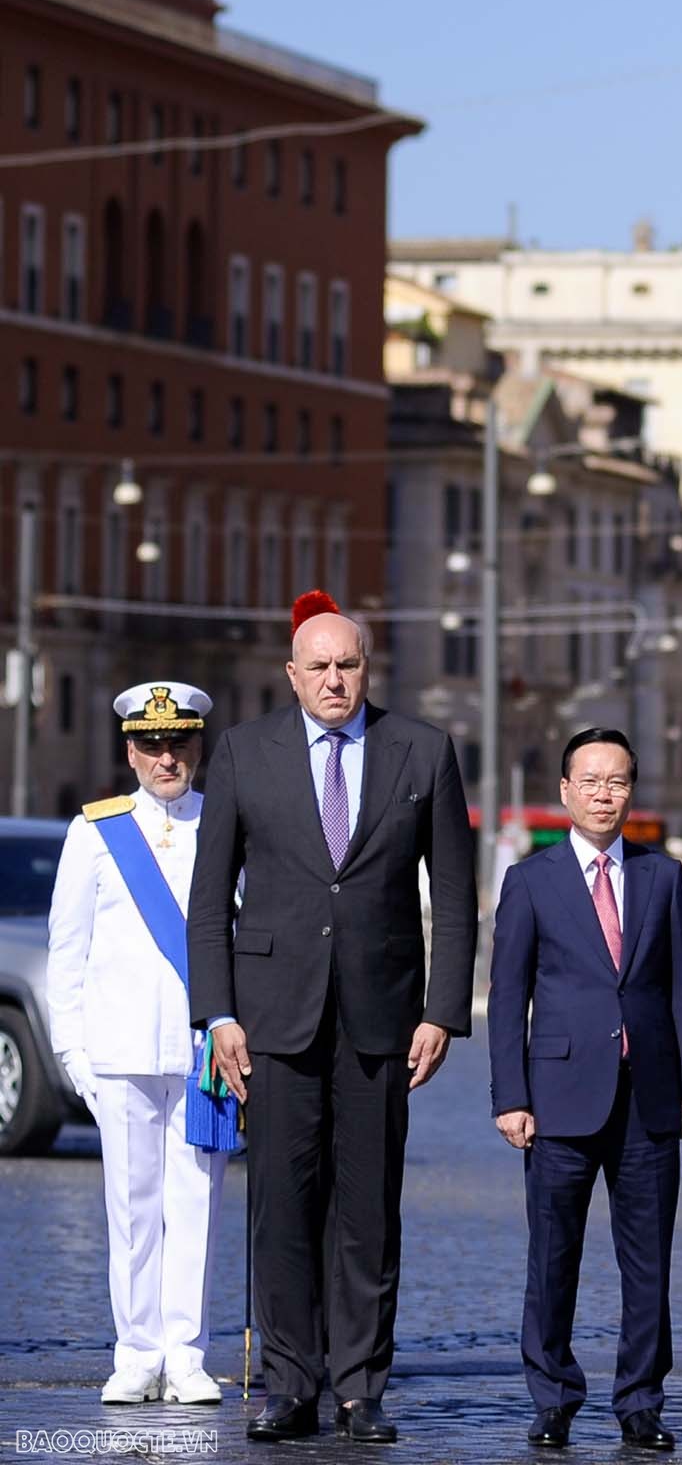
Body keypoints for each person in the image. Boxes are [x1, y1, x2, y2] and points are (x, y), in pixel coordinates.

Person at [187, 592, 477, 1445]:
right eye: (317, 666)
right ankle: (288, 1382)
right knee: (280, 1205)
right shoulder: (243, 754)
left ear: (366, 667)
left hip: (383, 1020)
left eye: (347, 664)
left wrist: (443, 1012)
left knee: (367, 1209)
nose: (334, 680)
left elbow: (454, 896)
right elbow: (210, 907)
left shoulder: (421, 751)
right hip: (270, 1022)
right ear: (292, 674)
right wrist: (218, 1015)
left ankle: (359, 1387)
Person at [488, 726, 682, 1452]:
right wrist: (509, 1097)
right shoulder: (530, 881)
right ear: (565, 791)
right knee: (552, 1256)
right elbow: (509, 991)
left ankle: (640, 1401)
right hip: (556, 1099)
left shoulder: (662, 876)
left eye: (616, 781)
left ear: (630, 791)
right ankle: (552, 1396)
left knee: (647, 1261)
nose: (603, 793)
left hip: (649, 1100)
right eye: (590, 780)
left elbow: (680, 990)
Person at [46, 681, 232, 1407]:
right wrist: (73, 1054)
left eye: (179, 743)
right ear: (129, 751)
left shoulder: (222, 824)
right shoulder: (95, 832)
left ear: (198, 746)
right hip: (119, 1050)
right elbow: (69, 950)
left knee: (196, 1206)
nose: (166, 757)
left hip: (201, 1051)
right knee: (130, 1207)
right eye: (151, 745)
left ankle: (185, 1355)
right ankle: (135, 1352)